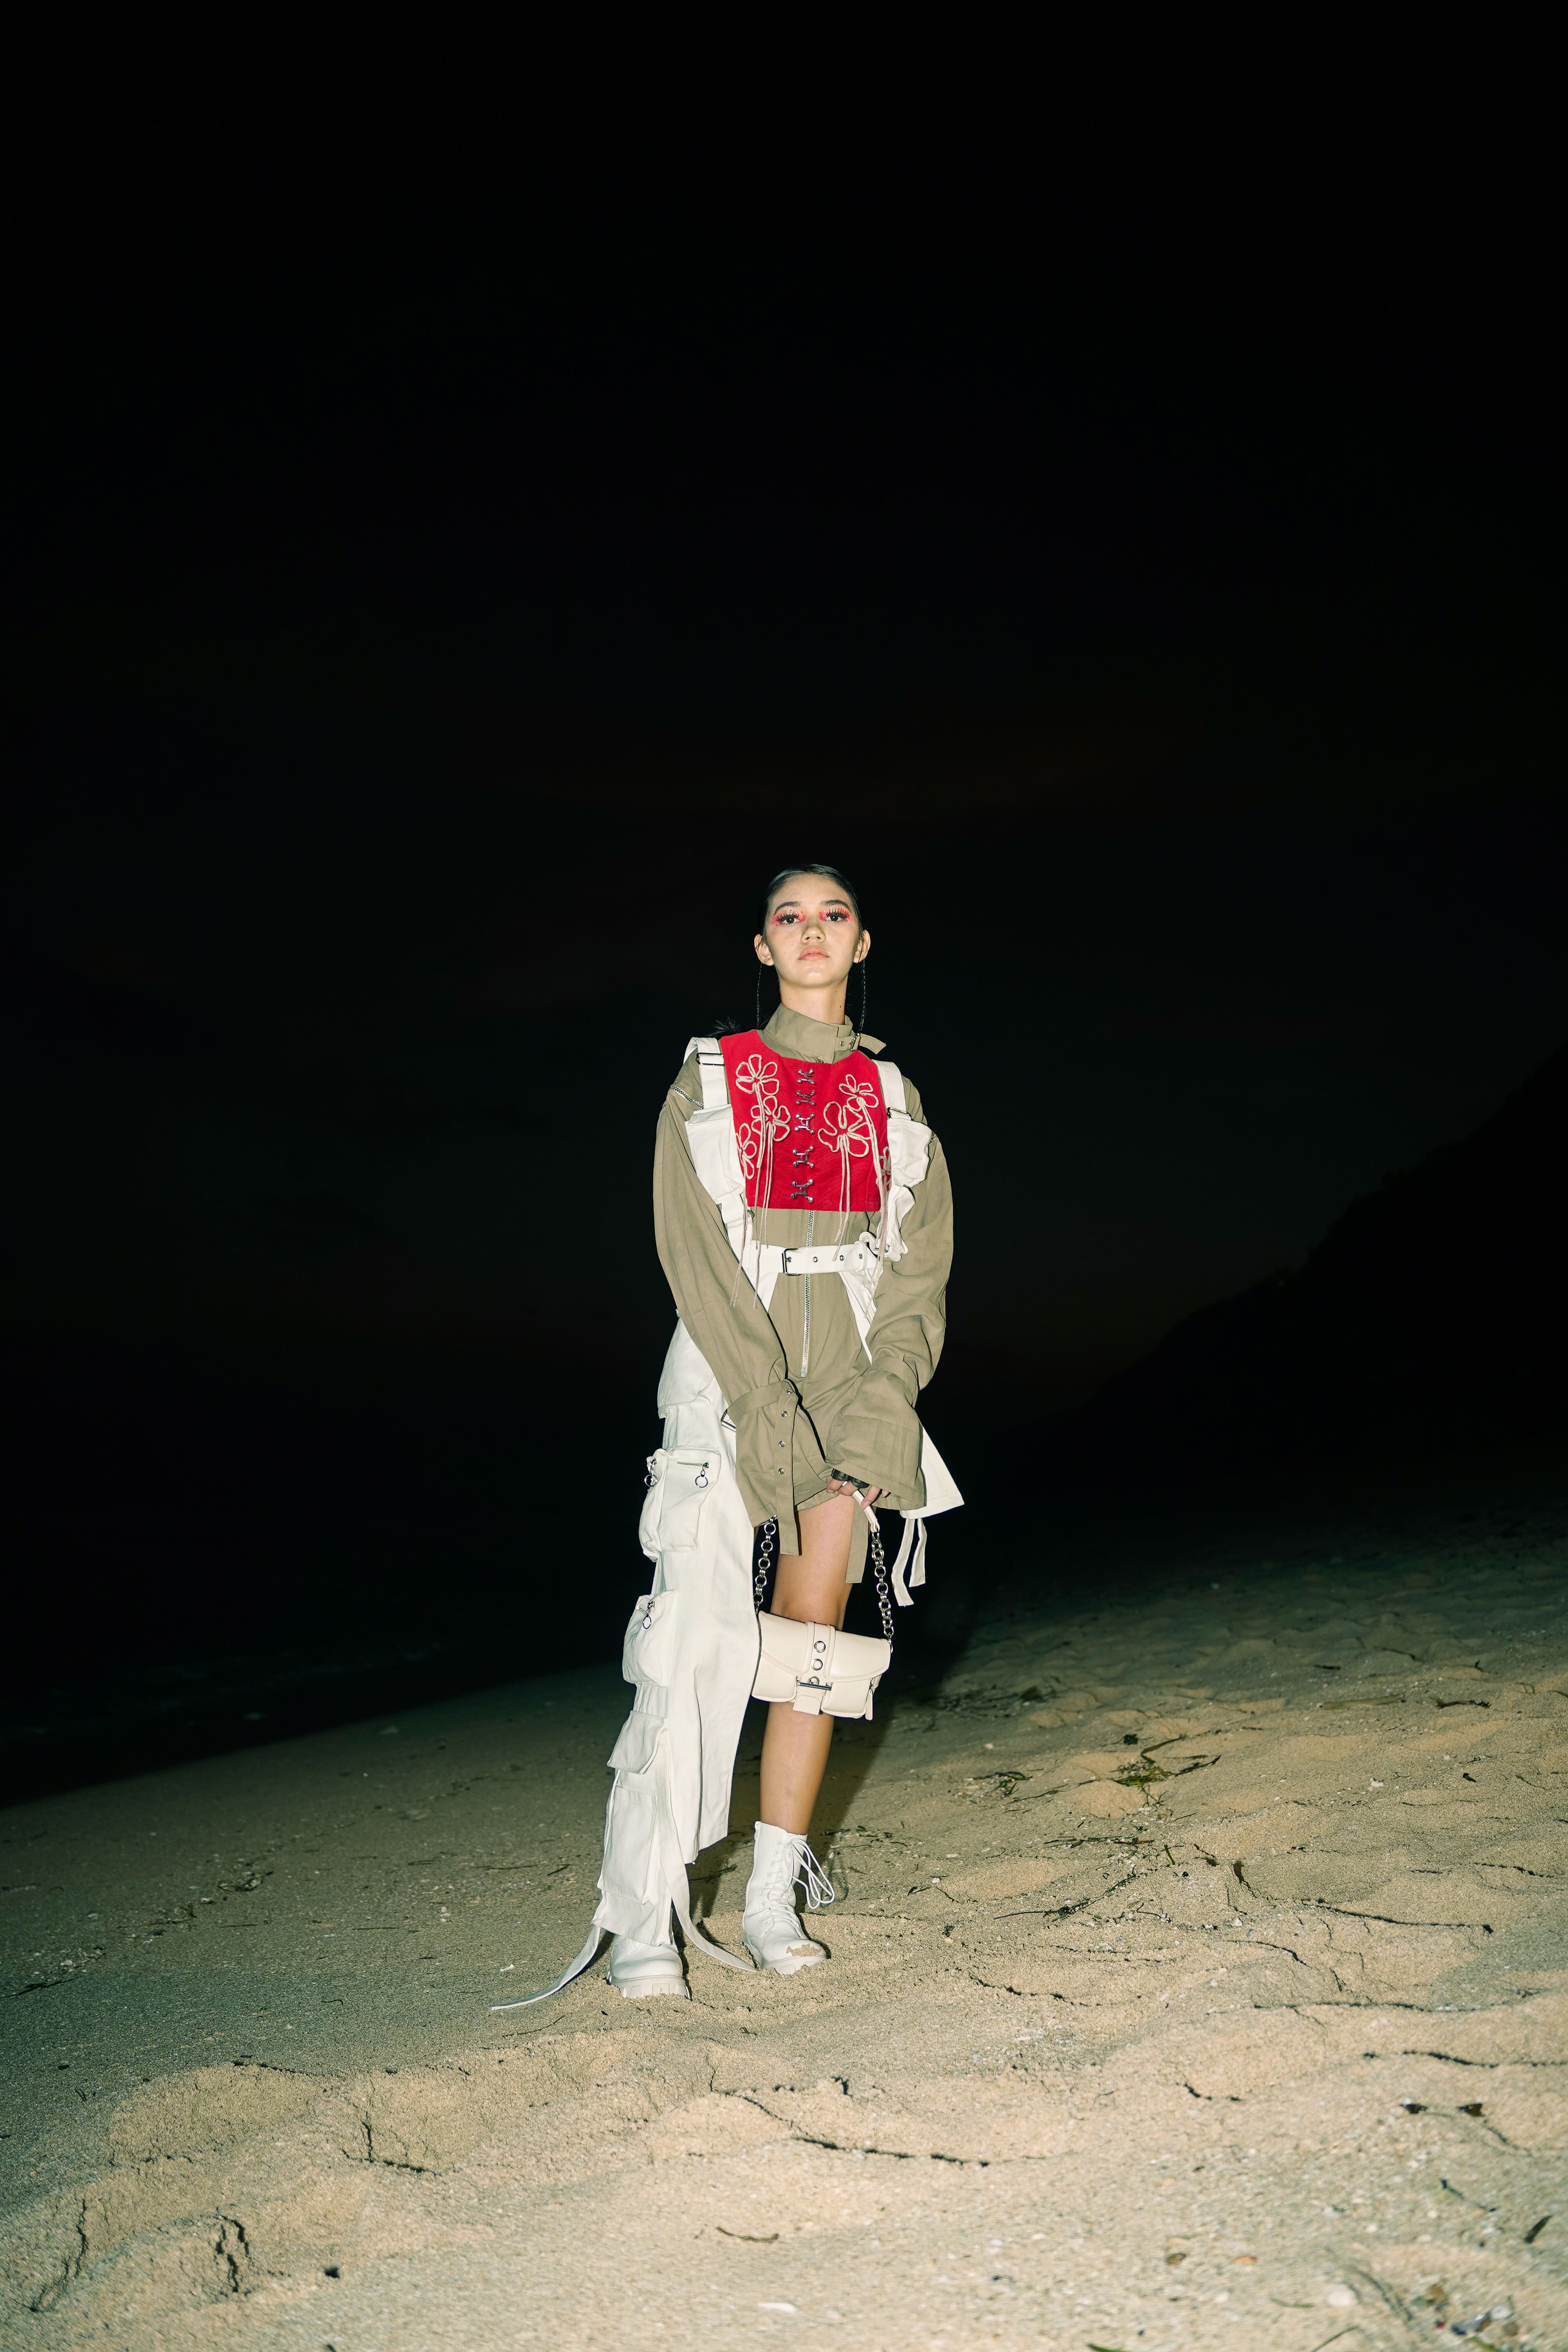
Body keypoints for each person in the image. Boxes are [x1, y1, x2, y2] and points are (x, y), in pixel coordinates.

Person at [496, 864, 958, 2011]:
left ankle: (769, 1899)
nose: (813, 932)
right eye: (790, 918)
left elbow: (920, 1272)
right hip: (726, 1373)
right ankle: (648, 1906)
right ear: (762, 947)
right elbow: (691, 1252)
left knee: (813, 1642)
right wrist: (764, 1401)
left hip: (854, 1373)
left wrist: (879, 1406)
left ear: (863, 942)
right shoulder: (709, 1078)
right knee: (690, 1635)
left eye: (834, 916)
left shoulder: (895, 1097)